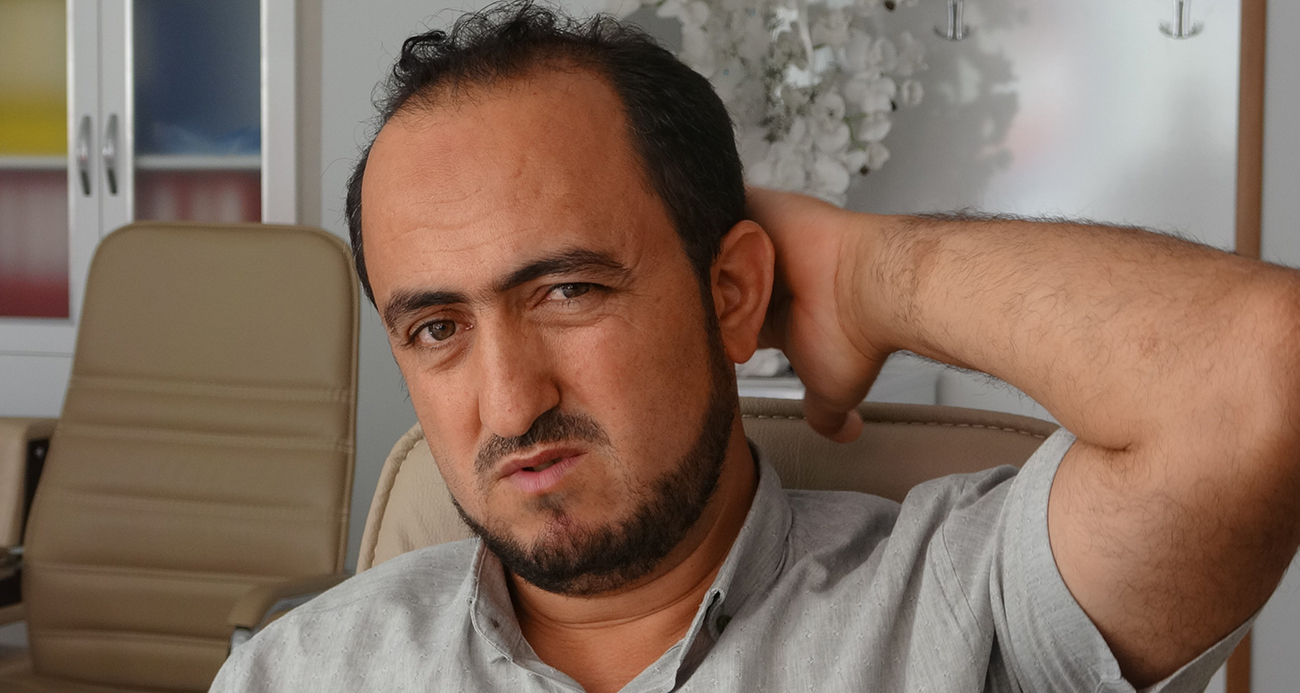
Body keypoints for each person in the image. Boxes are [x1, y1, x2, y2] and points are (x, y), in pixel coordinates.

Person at [211, 2, 1300, 691]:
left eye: (569, 290)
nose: (507, 405)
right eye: (437, 328)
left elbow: (1264, 373)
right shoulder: (301, 670)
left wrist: (866, 274)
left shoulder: (961, 613)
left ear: (731, 293)